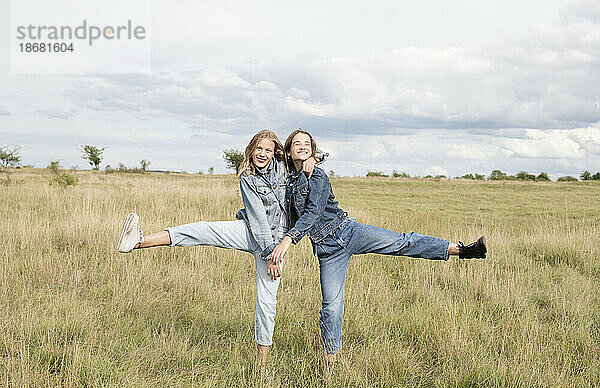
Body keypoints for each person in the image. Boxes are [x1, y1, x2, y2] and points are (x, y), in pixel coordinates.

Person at [116, 129, 323, 374]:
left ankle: (262, 366)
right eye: (259, 149)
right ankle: (138, 241)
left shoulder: (281, 165)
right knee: (203, 230)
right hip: (254, 234)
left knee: (266, 302)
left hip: (277, 243)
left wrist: (315, 158)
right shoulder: (247, 179)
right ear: (251, 150)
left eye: (268, 149)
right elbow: (257, 219)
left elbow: (304, 153)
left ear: (275, 152)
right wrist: (270, 254)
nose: (263, 154)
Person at [270, 129, 487, 364]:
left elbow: (313, 213)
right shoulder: (287, 180)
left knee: (402, 241)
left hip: (348, 232)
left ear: (312, 149)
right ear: (289, 151)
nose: (302, 147)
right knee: (331, 306)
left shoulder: (319, 176)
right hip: (327, 250)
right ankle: (331, 362)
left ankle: (464, 251)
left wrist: (287, 240)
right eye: (297, 144)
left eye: (307, 144)